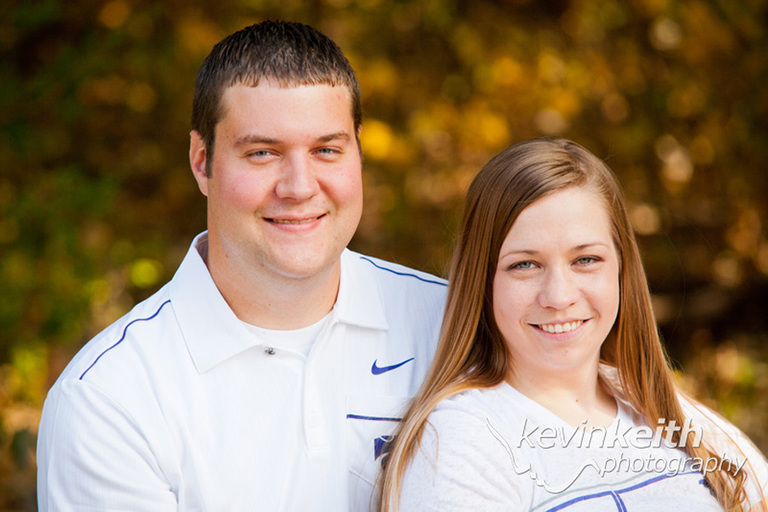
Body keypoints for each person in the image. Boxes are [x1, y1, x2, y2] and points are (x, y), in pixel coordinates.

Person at [36, 20, 447, 511]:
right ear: (201, 160)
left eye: (326, 150)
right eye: (262, 153)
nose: (298, 186)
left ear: (358, 151)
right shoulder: (110, 398)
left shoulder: (452, 322)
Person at [379, 138, 768, 511]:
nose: (559, 296)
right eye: (524, 265)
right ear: (483, 282)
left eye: (585, 260)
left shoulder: (669, 412)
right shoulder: (460, 442)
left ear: (622, 268)